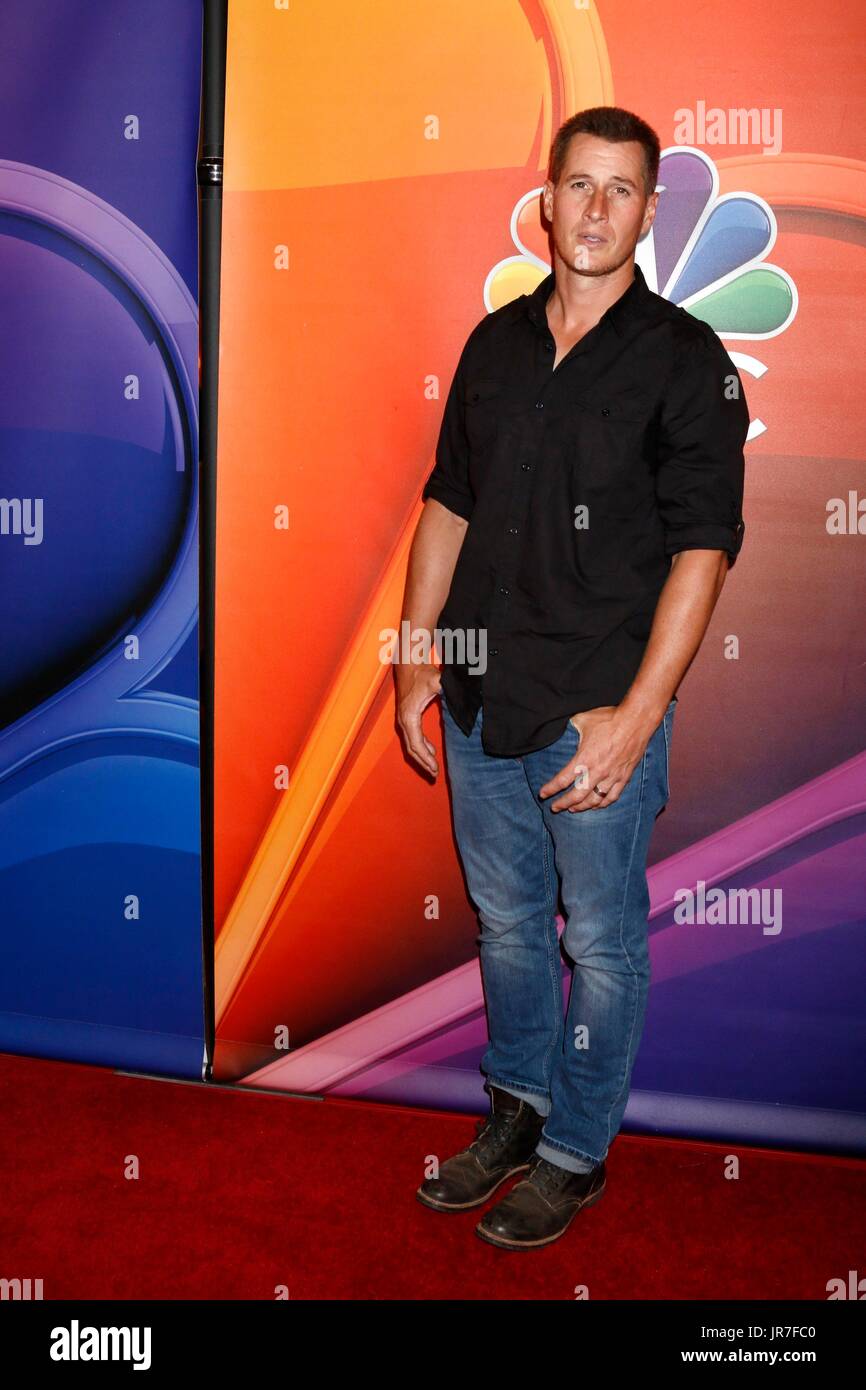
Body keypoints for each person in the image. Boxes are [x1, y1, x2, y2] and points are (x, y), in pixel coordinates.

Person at [396, 106, 749, 1251]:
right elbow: (447, 504)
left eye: (620, 190)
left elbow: (702, 546)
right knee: (504, 922)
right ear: (544, 199)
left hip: (596, 709)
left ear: (649, 210)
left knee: (597, 942)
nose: (594, 210)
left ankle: (574, 1151)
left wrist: (634, 723)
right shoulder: (494, 344)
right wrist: (417, 661)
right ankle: (518, 1105)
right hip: (480, 693)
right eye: (577, 185)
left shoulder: (683, 358)